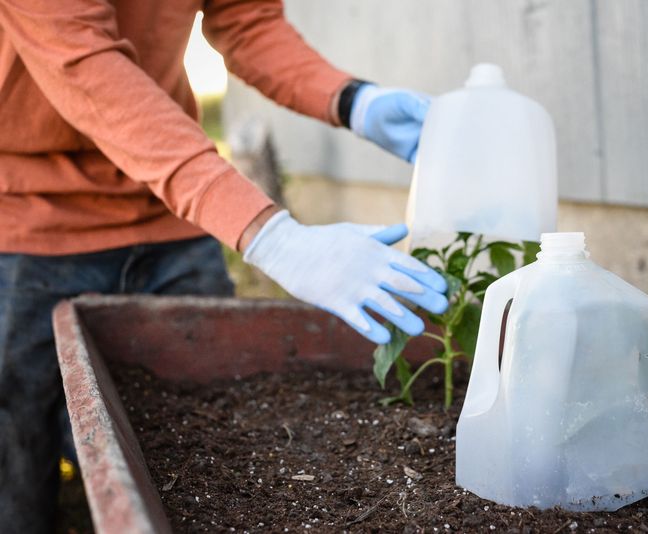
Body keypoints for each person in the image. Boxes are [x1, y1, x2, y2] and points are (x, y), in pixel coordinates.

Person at [0, 1, 449, 531]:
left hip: (167, 209)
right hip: (28, 211)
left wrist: (352, 98)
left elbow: (246, 19)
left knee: (203, 434)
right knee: (15, 444)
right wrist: (269, 236)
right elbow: (84, 62)